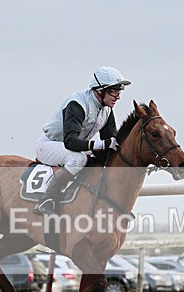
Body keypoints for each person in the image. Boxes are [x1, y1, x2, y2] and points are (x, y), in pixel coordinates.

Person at [33, 66, 131, 215]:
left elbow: (110, 142)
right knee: (78, 159)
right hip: (49, 146)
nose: (118, 96)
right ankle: (46, 200)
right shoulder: (77, 104)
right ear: (100, 90)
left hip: (73, 147)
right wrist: (102, 145)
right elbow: (71, 142)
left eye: (119, 91)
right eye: (114, 91)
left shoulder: (106, 110)